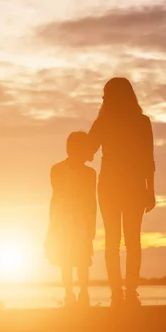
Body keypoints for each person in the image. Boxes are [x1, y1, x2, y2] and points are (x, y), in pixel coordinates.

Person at [88, 77, 156, 308]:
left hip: (120, 185)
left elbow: (148, 158)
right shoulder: (138, 121)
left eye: (106, 94)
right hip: (124, 185)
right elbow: (89, 150)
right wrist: (150, 190)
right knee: (122, 241)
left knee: (122, 241)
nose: (103, 98)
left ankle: (124, 292)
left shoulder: (114, 122)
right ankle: (123, 292)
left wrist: (151, 190)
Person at [45, 131, 97, 308]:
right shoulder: (57, 169)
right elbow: (59, 195)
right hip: (63, 220)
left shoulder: (90, 173)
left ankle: (84, 292)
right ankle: (69, 294)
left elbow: (92, 200)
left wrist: (91, 225)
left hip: (81, 220)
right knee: (65, 258)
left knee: (82, 259)